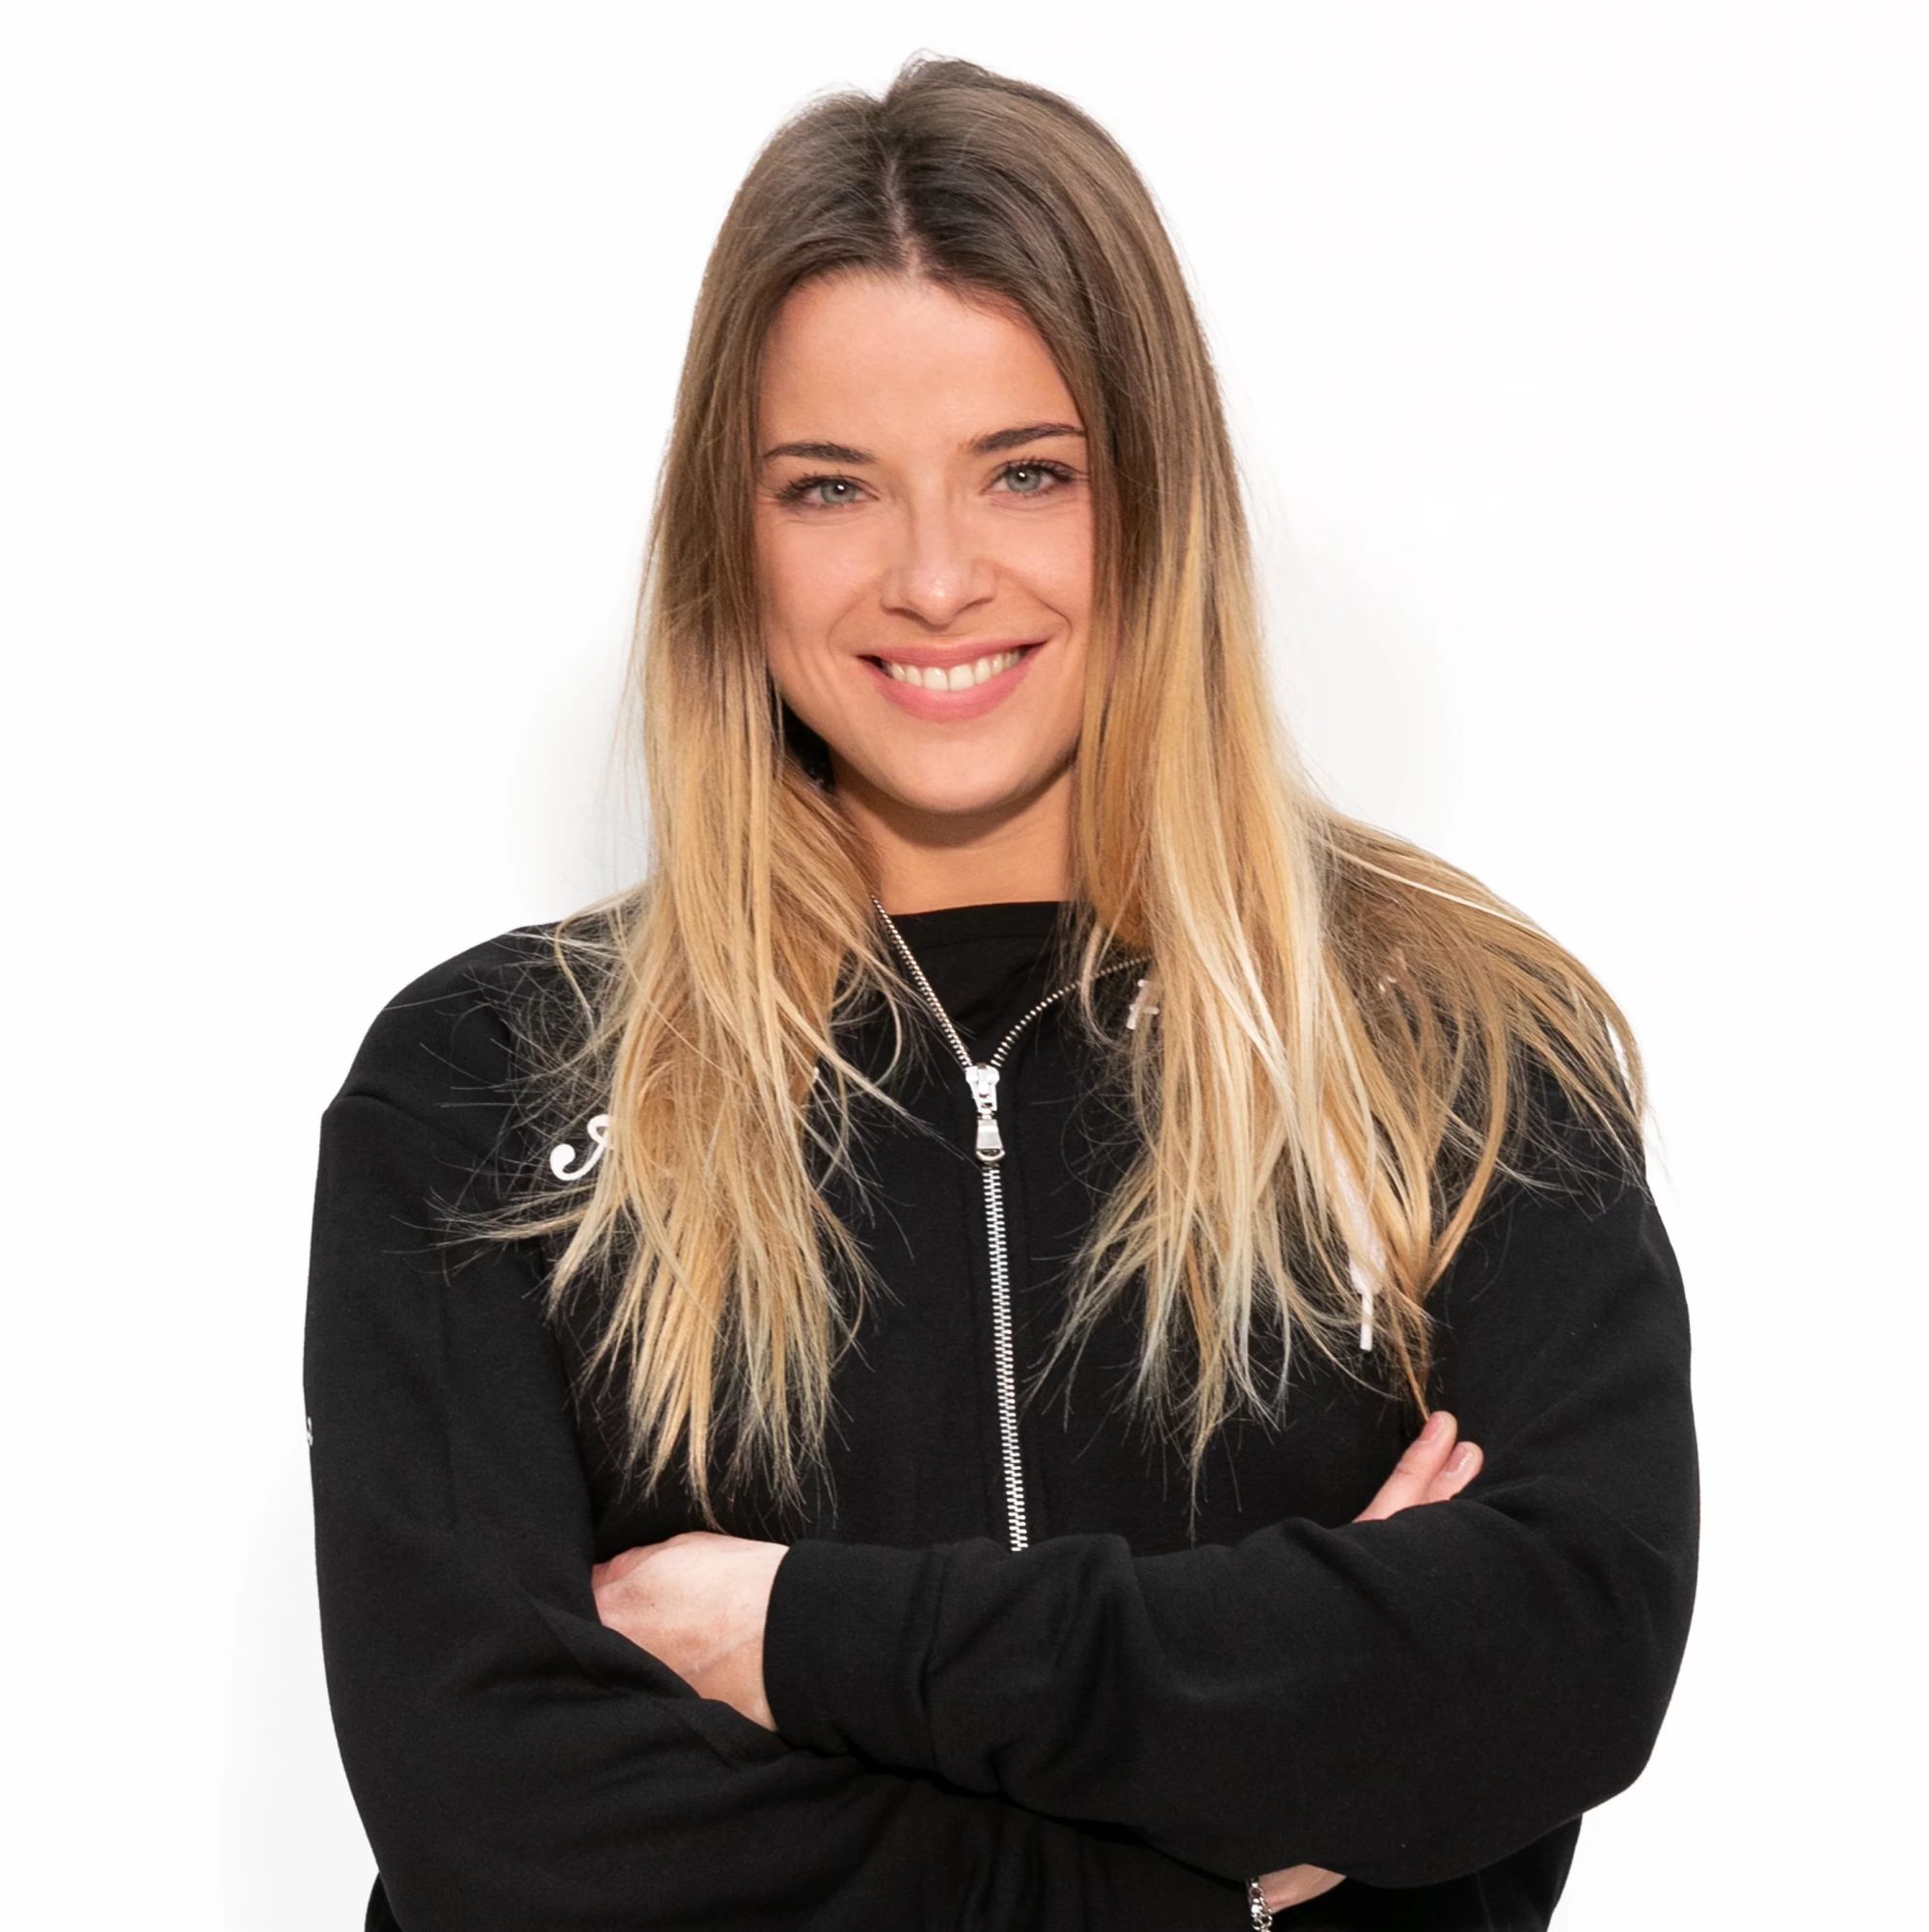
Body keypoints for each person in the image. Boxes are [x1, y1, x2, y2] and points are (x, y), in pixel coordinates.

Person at [303, 52, 1698, 1932]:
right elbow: (503, 1825)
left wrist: (799, 1633)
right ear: (732, 534)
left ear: (1156, 500)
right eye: (830, 488)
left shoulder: (1449, 1043)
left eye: (1027, 472)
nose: (937, 578)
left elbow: (1554, 1657)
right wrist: (1215, 1877)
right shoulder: (490, 1090)